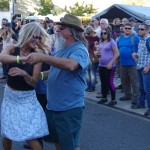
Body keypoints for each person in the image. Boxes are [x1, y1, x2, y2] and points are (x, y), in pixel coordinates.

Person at [27, 14, 89, 150]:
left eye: (61, 28)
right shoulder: (62, 49)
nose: (58, 30)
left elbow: (71, 65)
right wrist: (37, 76)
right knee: (59, 141)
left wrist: (43, 57)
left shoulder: (79, 49)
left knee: (71, 145)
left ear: (70, 31)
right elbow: (56, 70)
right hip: (54, 106)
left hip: (69, 108)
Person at [0, 22, 50, 150]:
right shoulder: (12, 48)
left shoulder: (36, 55)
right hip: (10, 96)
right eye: (34, 36)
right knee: (7, 132)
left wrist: (24, 74)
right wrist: (21, 59)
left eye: (39, 37)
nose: (37, 40)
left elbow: (33, 82)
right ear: (27, 34)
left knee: (30, 136)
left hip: (27, 98)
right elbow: (2, 57)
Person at [117, 23, 140, 106]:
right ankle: (127, 95)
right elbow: (117, 48)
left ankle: (135, 98)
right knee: (124, 80)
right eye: (125, 28)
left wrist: (137, 54)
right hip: (122, 63)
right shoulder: (120, 38)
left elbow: (141, 48)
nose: (127, 29)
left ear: (131, 29)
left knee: (134, 82)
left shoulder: (135, 37)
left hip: (133, 63)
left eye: (129, 28)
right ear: (123, 29)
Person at [96, 28, 119, 106]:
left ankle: (113, 100)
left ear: (108, 33)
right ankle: (104, 98)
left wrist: (111, 63)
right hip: (101, 65)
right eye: (102, 33)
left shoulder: (111, 41)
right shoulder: (101, 42)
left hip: (110, 65)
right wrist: (98, 57)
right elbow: (99, 52)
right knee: (103, 82)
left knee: (110, 82)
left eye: (105, 33)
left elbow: (117, 53)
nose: (103, 35)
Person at [131, 23, 150, 116]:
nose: (140, 31)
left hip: (146, 68)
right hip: (139, 66)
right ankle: (141, 103)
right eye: (139, 29)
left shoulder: (148, 40)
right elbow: (141, 54)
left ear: (147, 30)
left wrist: (148, 67)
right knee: (141, 87)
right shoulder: (140, 40)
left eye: (142, 29)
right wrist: (135, 55)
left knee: (147, 89)